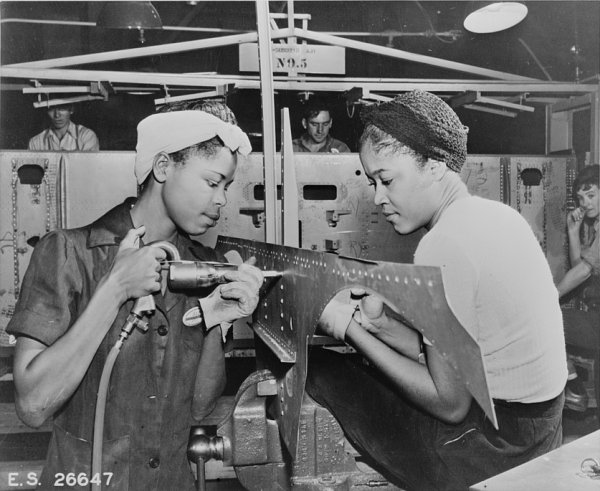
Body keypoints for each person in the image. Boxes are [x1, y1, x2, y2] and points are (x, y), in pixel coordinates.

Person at [307, 90, 567, 491]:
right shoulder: (498, 215)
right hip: (538, 432)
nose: (378, 198)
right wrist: (380, 327)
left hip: (492, 450)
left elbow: (450, 403)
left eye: (387, 180)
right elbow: (463, 356)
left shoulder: (443, 243)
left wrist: (348, 329)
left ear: (434, 165)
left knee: (322, 371)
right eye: (373, 182)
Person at [8, 110, 263, 490]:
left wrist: (215, 322)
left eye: (226, 186)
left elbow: (199, 407)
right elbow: (32, 406)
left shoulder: (194, 267)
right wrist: (114, 289)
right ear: (163, 167)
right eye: (212, 182)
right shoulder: (69, 254)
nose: (221, 200)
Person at [557, 164, 599, 412]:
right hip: (596, 315)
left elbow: (583, 271)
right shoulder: (593, 226)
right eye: (581, 198)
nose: (586, 203)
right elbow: (580, 268)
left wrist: (549, 296)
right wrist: (573, 232)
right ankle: (574, 387)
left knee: (545, 318)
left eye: (591, 195)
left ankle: (573, 387)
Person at [28, 103, 100, 151]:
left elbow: (89, 169)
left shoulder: (86, 136)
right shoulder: (35, 142)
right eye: (52, 109)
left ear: (71, 110)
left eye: (62, 108)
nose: (57, 115)